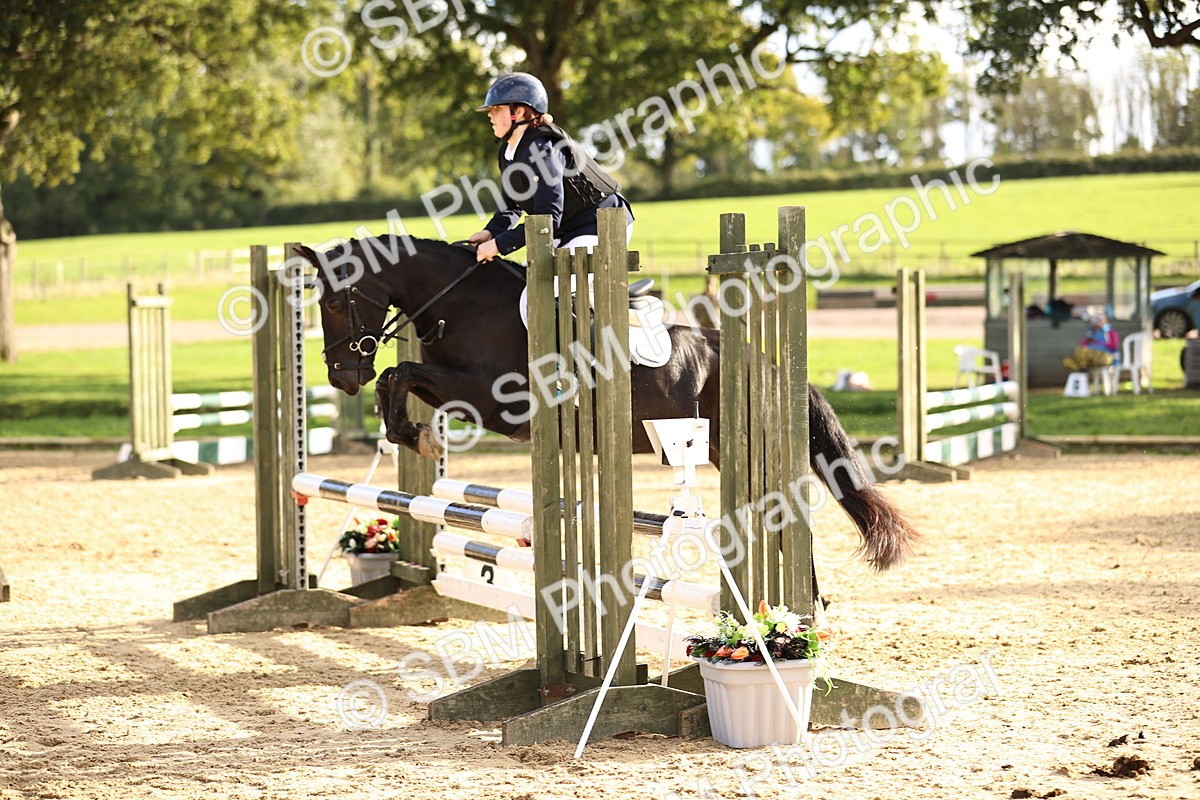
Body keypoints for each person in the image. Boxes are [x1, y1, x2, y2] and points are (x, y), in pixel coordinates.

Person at [467, 73, 634, 263]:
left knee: (554, 289)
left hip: (599, 225)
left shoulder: (542, 150)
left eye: (497, 108)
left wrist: (499, 245)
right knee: (528, 290)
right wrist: (491, 233)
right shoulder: (508, 152)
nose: (490, 114)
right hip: (566, 229)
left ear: (519, 112)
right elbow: (511, 207)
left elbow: (548, 216)